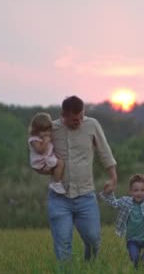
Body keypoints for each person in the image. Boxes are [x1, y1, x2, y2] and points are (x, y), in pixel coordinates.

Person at [39, 96, 117, 262]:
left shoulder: (92, 125)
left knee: (93, 239)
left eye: (81, 117)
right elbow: (40, 155)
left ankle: (89, 267)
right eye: (75, 119)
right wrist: (43, 168)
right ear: (64, 115)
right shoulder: (51, 129)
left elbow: (105, 152)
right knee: (63, 243)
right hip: (59, 198)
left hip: (86, 196)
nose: (79, 121)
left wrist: (113, 177)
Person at [98, 161, 144, 268]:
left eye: (143, 190)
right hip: (132, 239)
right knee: (134, 259)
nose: (139, 193)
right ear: (130, 191)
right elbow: (114, 203)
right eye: (136, 190)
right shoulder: (126, 202)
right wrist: (107, 193)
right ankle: (137, 271)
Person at [28, 112, 67, 194]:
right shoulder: (34, 139)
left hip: (46, 160)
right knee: (60, 163)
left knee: (58, 164)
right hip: (41, 162)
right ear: (36, 130)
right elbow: (40, 151)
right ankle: (56, 183)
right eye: (43, 131)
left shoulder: (46, 136)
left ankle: (56, 181)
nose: (46, 133)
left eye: (48, 130)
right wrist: (45, 142)